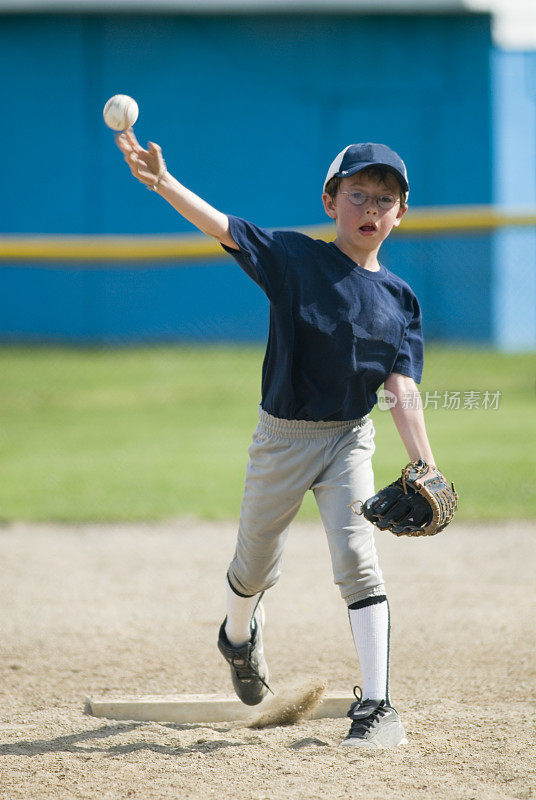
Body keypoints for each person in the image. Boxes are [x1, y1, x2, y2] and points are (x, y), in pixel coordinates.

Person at [116, 133, 436, 749]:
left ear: (401, 214)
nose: (370, 209)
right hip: (283, 438)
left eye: (385, 200)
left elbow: (401, 388)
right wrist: (163, 181)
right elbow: (225, 227)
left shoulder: (401, 300)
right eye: (357, 194)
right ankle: (237, 636)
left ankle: (377, 706)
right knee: (255, 562)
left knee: (358, 560)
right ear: (329, 201)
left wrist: (425, 465)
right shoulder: (296, 259)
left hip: (349, 439)